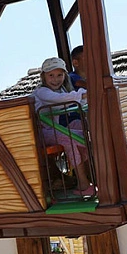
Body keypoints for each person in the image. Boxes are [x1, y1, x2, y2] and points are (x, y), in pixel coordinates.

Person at [33, 57, 94, 197]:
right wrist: (84, 94)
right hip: (40, 133)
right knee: (70, 139)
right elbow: (60, 100)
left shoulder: (62, 90)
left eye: (59, 75)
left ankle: (90, 176)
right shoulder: (41, 92)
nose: (55, 79)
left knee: (85, 132)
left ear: (65, 75)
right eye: (51, 75)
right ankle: (83, 182)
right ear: (43, 76)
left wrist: (85, 97)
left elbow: (73, 100)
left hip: (53, 129)